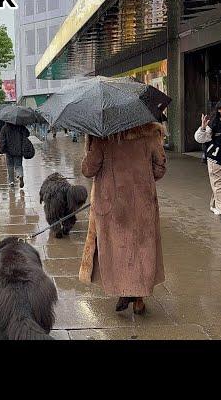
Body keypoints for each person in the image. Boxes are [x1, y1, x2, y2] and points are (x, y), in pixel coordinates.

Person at [79, 122, 167, 315]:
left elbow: (88, 170)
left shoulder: (103, 138)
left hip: (111, 205)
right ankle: (138, 299)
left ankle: (124, 290)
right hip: (142, 203)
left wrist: (90, 144)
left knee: (118, 249)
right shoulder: (150, 135)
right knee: (141, 248)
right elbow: (159, 170)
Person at [0, 122, 30, 188]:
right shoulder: (20, 126)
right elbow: (27, 134)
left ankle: (11, 182)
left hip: (9, 151)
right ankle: (20, 175)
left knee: (10, 166)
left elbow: (2, 140)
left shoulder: (4, 128)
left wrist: (2, 150)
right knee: (18, 165)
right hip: (19, 150)